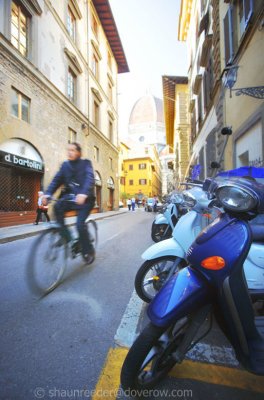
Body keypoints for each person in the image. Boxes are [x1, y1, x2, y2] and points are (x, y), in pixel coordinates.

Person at [42, 142, 96, 264]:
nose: (69, 152)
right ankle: (65, 235)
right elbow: (56, 180)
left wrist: (84, 193)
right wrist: (48, 193)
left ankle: (88, 250)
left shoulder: (86, 164)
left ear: (78, 152)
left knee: (79, 224)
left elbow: (89, 178)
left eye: (72, 150)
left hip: (86, 200)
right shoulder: (65, 166)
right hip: (71, 199)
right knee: (56, 207)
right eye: (68, 150)